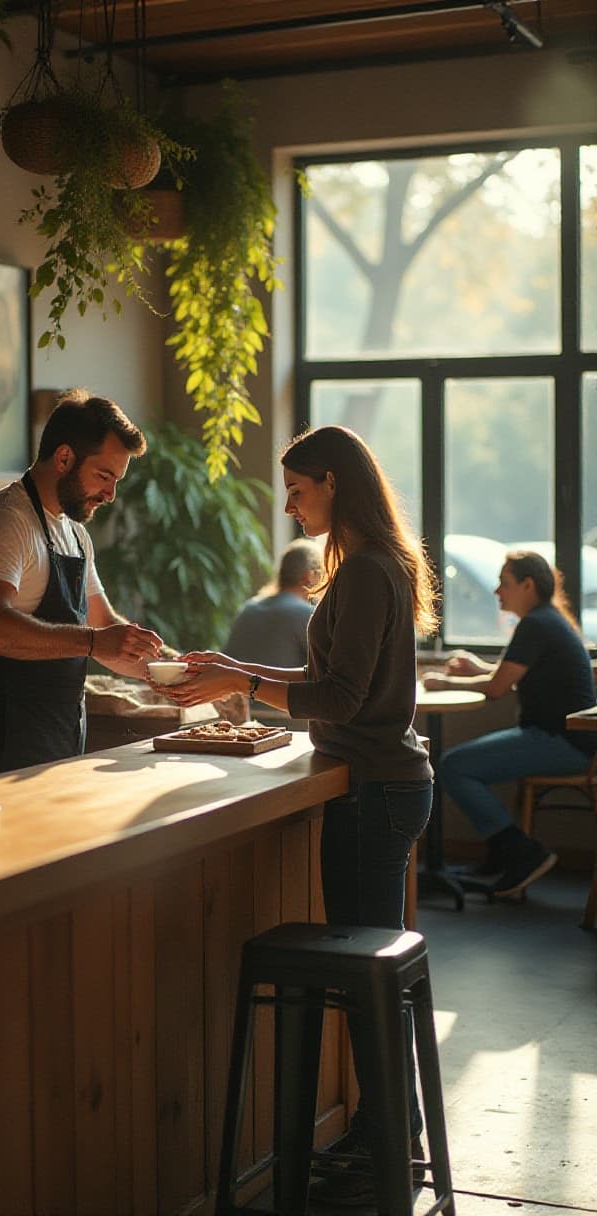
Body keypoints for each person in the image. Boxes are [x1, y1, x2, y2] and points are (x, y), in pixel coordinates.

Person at [162, 424, 438, 1206]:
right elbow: (327, 676)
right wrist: (235, 669)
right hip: (383, 785)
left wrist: (241, 682)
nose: (289, 507)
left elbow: (338, 698)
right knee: (366, 983)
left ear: (332, 483)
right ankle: (389, 1131)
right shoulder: (372, 564)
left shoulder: (366, 571)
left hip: (376, 791)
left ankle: (390, 1143)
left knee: (365, 985)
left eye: (296, 490)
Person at [0, 388, 163, 775]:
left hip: (62, 733)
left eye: (116, 480)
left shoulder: (76, 534)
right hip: (5, 738)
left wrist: (172, 670)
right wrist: (93, 642)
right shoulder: (4, 521)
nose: (111, 494)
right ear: (64, 458)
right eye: (104, 476)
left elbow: (104, 625)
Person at [422, 550, 597, 897]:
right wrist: (476, 668)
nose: (496, 591)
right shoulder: (548, 620)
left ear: (528, 585)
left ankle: (523, 853)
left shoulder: (536, 624)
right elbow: (507, 675)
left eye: (504, 583)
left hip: (563, 743)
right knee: (459, 763)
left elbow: (497, 688)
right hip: (567, 740)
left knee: (454, 765)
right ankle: (502, 856)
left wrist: (445, 682)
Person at [224, 538, 324, 669]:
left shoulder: (248, 609)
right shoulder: (307, 615)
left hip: (234, 682)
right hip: (271, 683)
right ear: (309, 576)